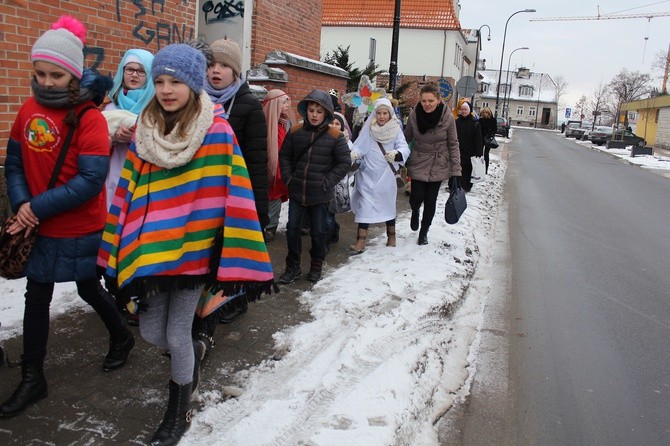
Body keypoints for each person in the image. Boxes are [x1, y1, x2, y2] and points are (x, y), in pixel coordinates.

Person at [97, 43, 274, 445]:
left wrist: (238, 236)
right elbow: (129, 188)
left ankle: (178, 412)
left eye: (175, 80)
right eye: (159, 81)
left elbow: (233, 188)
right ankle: (193, 352)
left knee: (175, 336)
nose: (165, 89)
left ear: (193, 83)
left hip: (197, 249)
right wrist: (116, 242)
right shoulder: (147, 128)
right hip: (153, 250)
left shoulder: (216, 130)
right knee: (151, 333)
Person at [1, 16, 133, 419]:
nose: (46, 82)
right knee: (36, 295)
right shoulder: (27, 109)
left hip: (77, 225)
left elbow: (91, 180)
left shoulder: (90, 118)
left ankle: (122, 336)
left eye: (56, 74)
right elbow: (14, 164)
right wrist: (24, 205)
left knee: (88, 288)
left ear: (74, 74)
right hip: (38, 223)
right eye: (39, 73)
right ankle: (33, 376)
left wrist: (33, 209)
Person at [203, 37, 268, 324]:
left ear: (235, 71)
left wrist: (259, 207)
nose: (216, 71)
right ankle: (211, 299)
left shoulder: (248, 106)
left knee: (235, 247)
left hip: (236, 191)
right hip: (205, 192)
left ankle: (238, 299)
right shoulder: (197, 101)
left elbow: (257, 160)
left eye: (224, 66)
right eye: (211, 64)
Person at [277, 90, 351, 283]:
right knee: (292, 229)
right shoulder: (295, 132)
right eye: (311, 110)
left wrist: (326, 182)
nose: (315, 114)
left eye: (319, 111)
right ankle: (292, 266)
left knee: (319, 232)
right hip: (297, 191)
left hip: (320, 194)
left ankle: (316, 265)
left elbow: (344, 163)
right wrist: (288, 178)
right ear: (305, 110)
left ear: (326, 113)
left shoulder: (335, 136)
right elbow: (284, 156)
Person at [349, 98, 410, 253]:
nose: (382, 116)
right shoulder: (369, 129)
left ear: (390, 114)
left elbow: (404, 147)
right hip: (368, 173)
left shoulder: (396, 129)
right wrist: (356, 153)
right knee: (365, 205)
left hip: (386, 175)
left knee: (387, 204)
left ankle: (391, 236)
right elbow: (360, 145)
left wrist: (396, 155)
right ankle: (360, 241)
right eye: (379, 113)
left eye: (385, 113)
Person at [404, 83, 461, 245]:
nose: (427, 104)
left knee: (430, 201)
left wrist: (456, 170)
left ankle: (424, 231)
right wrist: (398, 156)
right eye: (423, 101)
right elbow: (406, 138)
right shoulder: (414, 116)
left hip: (439, 162)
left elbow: (453, 143)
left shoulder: (447, 117)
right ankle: (415, 210)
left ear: (438, 100)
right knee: (416, 197)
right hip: (419, 160)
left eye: (430, 100)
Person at [102, 48, 154, 210]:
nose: (134, 75)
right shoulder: (108, 104)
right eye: (130, 69)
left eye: (141, 71)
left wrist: (133, 138)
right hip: (111, 173)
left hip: (143, 176)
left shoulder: (155, 106)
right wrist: (112, 138)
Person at [262, 89, 295, 242]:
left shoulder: (285, 123)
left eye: (288, 102)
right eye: (284, 102)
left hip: (282, 168)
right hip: (266, 166)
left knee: (275, 196)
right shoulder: (264, 123)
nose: (288, 105)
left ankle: (271, 226)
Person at [326, 111, 354, 247]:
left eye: (337, 124)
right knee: (323, 215)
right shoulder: (321, 137)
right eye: (331, 122)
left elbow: (352, 164)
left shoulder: (347, 143)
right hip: (321, 182)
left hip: (338, 184)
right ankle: (325, 238)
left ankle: (328, 237)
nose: (334, 125)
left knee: (329, 216)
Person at [455, 101, 483, 192]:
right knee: (458, 169)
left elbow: (478, 139)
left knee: (467, 169)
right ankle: (456, 186)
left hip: (470, 151)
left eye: (465, 109)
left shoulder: (475, 123)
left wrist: (478, 152)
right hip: (458, 150)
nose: (463, 111)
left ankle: (466, 186)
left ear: (469, 110)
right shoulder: (457, 122)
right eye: (462, 109)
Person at [478, 106, 497, 174]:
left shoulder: (493, 120)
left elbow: (495, 129)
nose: (485, 114)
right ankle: (479, 168)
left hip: (488, 139)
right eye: (484, 112)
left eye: (486, 112)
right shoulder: (480, 120)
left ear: (489, 113)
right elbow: (478, 129)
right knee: (479, 153)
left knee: (486, 154)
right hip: (481, 138)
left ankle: (486, 169)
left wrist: (490, 135)